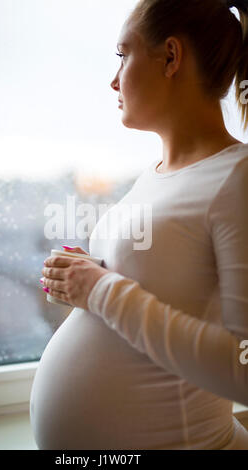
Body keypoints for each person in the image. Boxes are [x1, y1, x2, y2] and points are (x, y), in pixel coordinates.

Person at [30, 0, 248, 449]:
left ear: (171, 57)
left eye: (122, 54)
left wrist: (100, 290)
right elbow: (167, 287)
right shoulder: (155, 176)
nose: (113, 79)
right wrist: (84, 279)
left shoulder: (239, 178)